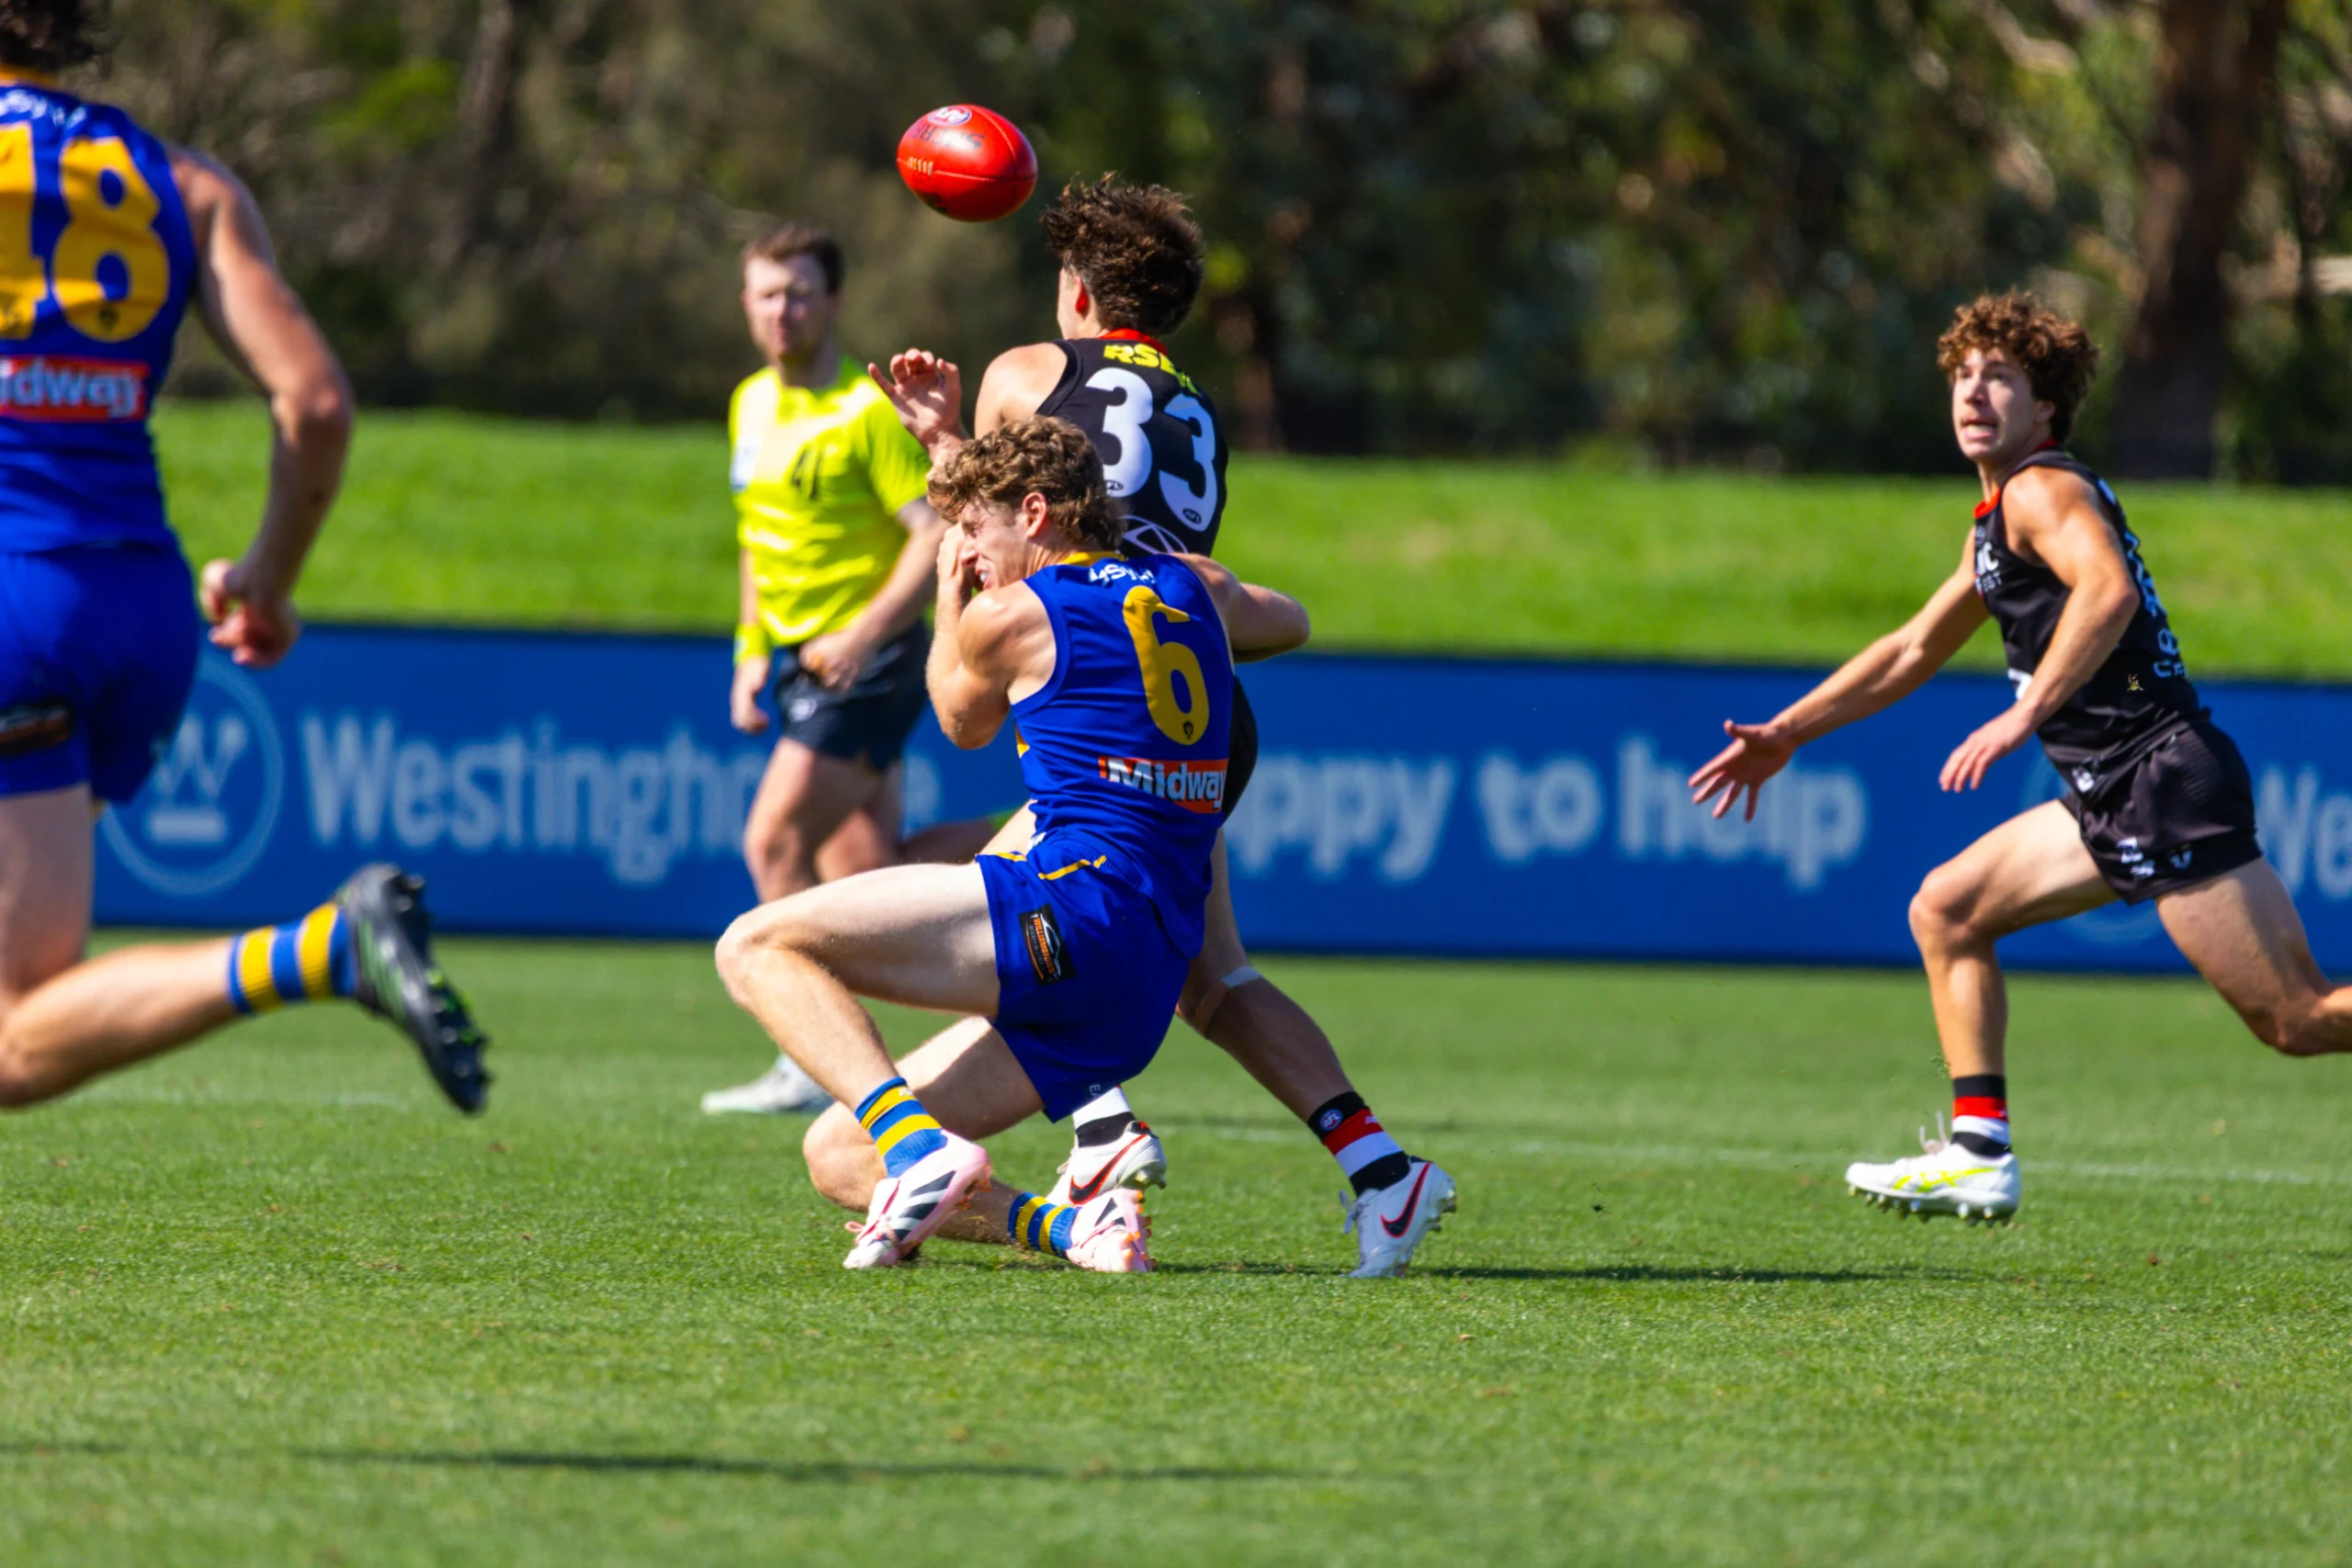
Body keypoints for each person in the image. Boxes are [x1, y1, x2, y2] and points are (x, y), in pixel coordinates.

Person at [869, 176, 1455, 1279]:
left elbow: (990, 526)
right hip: (1198, 700)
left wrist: (944, 441)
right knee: (1213, 981)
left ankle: (1098, 1130)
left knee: (1042, 923)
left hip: (1100, 694)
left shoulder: (1028, 373)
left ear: (1079, 292)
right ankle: (1382, 1170)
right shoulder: (1197, 406)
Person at [1689, 290, 2352, 1223]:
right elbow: (1910, 649)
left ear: (2044, 407)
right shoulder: (1995, 521)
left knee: (2297, 1018)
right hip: (2118, 784)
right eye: (1963, 375)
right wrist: (1788, 732)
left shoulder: (2042, 489)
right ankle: (1978, 1153)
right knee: (1948, 908)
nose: (1973, 391)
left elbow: (2108, 592)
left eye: (1999, 377)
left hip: (2158, 778)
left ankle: (1979, 1152)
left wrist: (2024, 712)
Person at [0, 3, 486, 1115]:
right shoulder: (186, 184)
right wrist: (267, 577)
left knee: (11, 1035)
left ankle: (322, 951)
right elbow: (314, 404)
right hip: (135, 602)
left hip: (10, 605)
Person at [715, 416, 1310, 1270]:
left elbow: (960, 721)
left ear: (1034, 514)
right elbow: (1291, 620)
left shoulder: (1008, 612)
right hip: (1141, 984)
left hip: (1072, 909)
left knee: (754, 945)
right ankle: (1080, 1229)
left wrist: (948, 595)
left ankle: (922, 1153)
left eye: (973, 527)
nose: (965, 549)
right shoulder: (1196, 585)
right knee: (839, 1156)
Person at [702, 222, 957, 1116]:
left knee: (772, 841)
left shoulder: (864, 410)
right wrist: (748, 652)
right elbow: (756, 539)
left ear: (836, 301)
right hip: (800, 660)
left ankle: (813, 1061)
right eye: (768, 293)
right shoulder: (748, 404)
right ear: (746, 303)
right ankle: (1038, 843)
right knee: (870, 873)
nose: (784, 310)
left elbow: (931, 534)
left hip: (870, 660)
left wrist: (859, 635)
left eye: (801, 292)